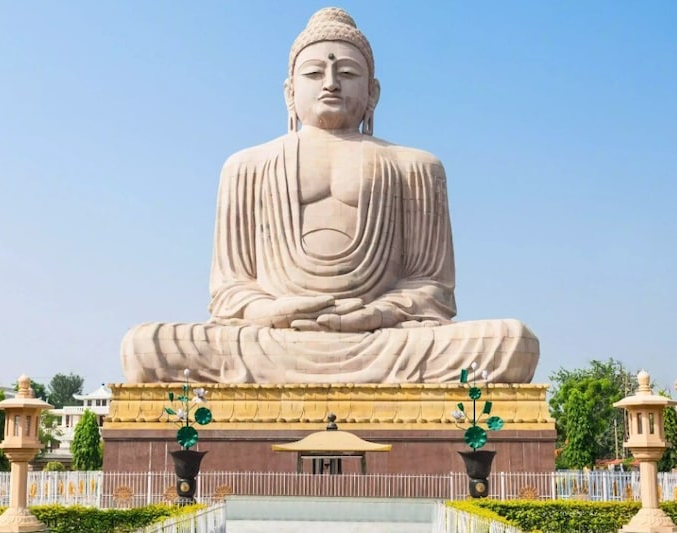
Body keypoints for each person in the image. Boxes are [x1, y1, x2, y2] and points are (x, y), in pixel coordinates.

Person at [121, 7, 539, 384]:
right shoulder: (245, 167)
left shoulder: (415, 166)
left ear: (373, 92)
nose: (331, 83)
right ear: (289, 91)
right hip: (272, 338)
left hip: (383, 340)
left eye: (348, 74)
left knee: (513, 342)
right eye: (314, 72)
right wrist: (271, 312)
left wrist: (374, 315)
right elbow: (230, 290)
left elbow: (432, 289)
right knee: (144, 346)